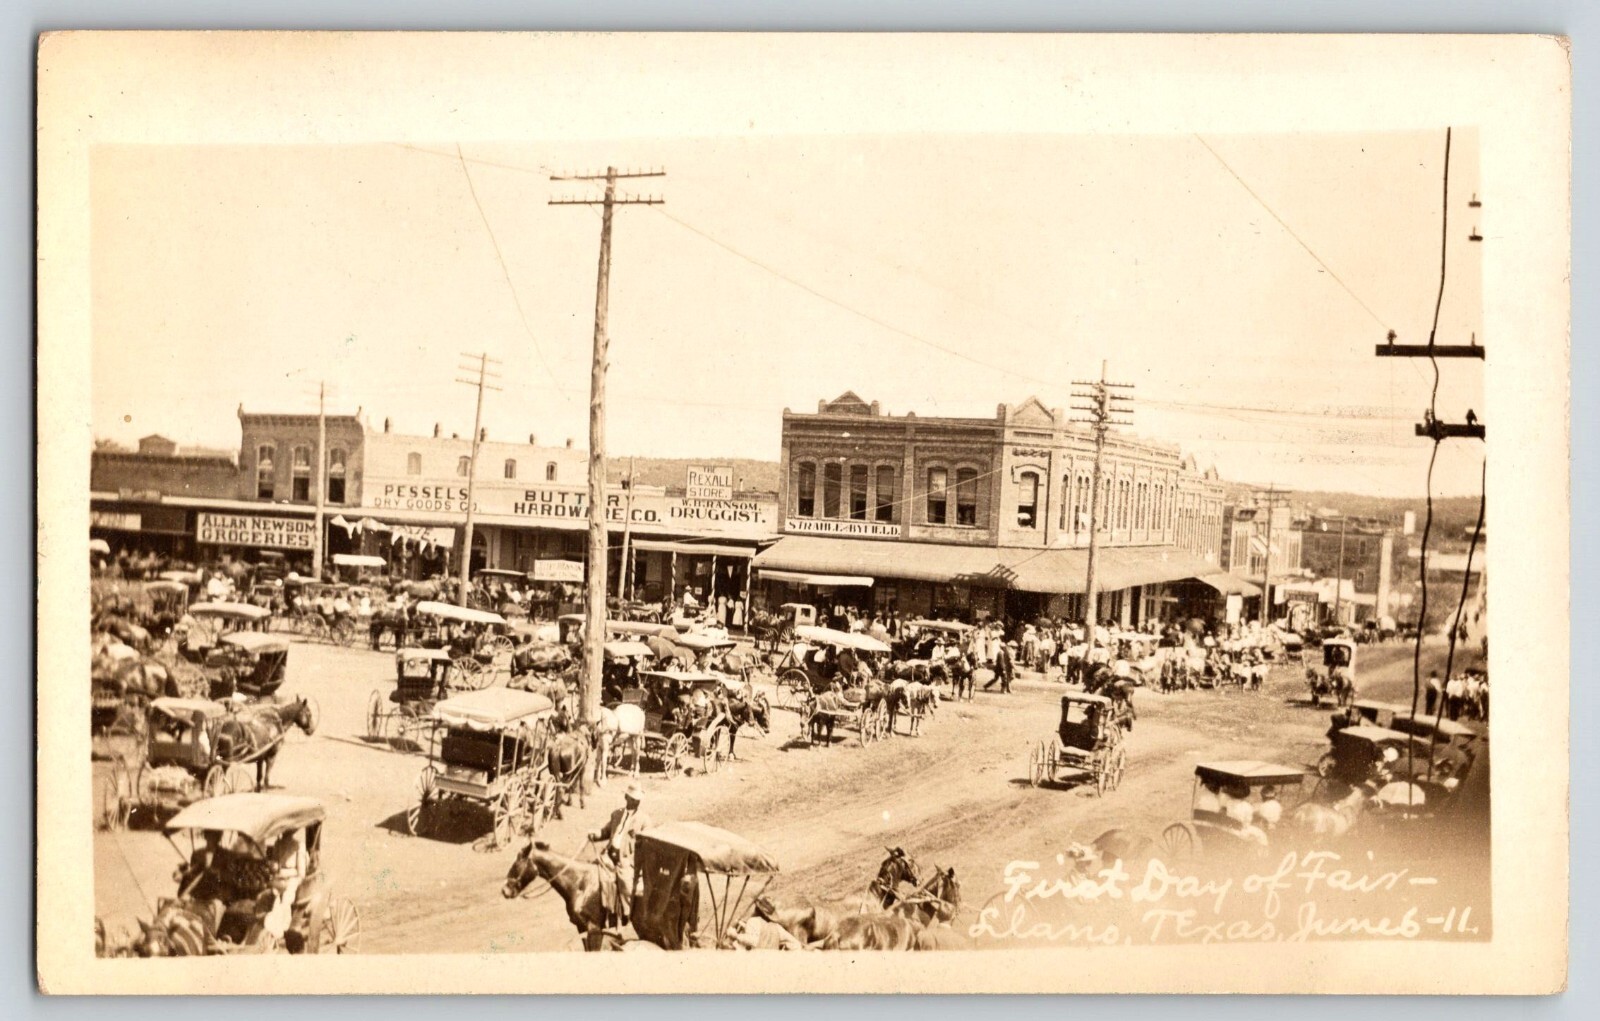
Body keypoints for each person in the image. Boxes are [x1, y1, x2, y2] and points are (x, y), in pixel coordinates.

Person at [588, 783, 652, 927]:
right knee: (592, 875)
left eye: (637, 800)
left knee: (626, 886)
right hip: (609, 855)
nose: (636, 802)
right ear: (626, 797)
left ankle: (628, 917)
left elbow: (647, 847)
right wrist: (595, 834)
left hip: (627, 860)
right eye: (632, 799)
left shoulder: (644, 821)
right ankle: (599, 912)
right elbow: (605, 832)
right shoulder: (616, 814)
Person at [262, 830, 309, 951]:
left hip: (294, 879)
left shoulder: (299, 845)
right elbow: (276, 863)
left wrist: (286, 875)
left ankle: (283, 929)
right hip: (278, 878)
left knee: (286, 899)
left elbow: (301, 873)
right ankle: (268, 926)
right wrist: (275, 868)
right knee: (269, 895)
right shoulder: (278, 844)